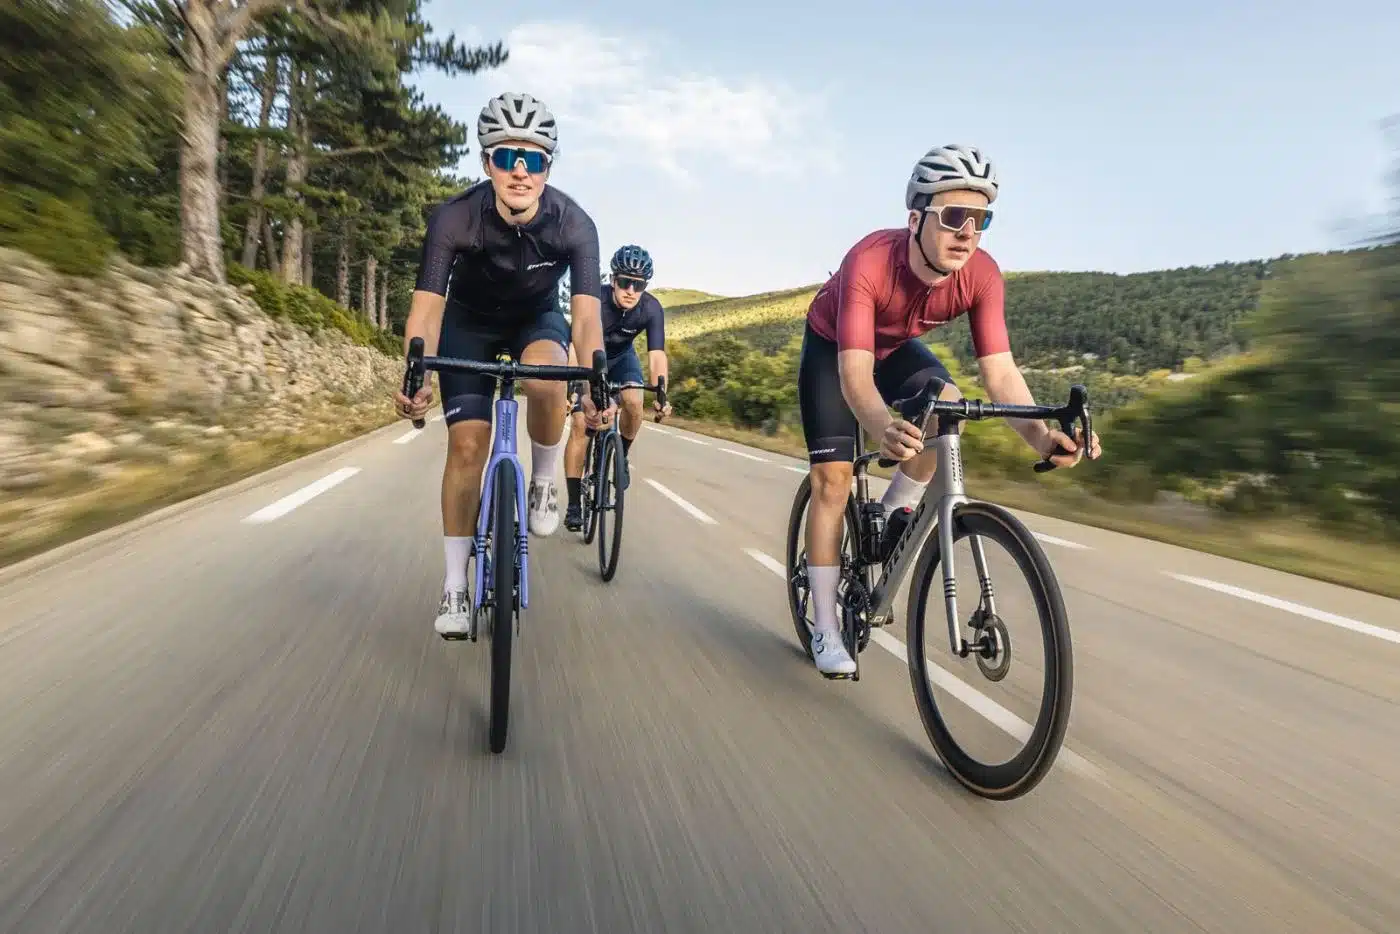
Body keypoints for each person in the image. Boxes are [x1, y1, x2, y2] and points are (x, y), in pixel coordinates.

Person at [797, 144, 1102, 677]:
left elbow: (1002, 373)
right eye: (954, 216)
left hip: (893, 351)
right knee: (833, 481)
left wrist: (1040, 438)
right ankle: (824, 623)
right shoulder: (870, 260)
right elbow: (854, 377)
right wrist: (881, 427)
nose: (969, 232)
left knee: (951, 408)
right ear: (916, 219)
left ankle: (893, 509)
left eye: (981, 219)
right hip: (834, 351)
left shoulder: (981, 274)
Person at [393, 91, 616, 639]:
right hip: (468, 323)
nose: (520, 171)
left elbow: (587, 322)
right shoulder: (455, 218)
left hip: (535, 320)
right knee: (467, 445)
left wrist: (594, 384)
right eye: (506, 156)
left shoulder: (574, 224)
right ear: (485, 161)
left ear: (548, 167)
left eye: (534, 158)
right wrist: (415, 374)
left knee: (546, 375)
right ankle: (454, 585)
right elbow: (427, 310)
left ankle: (543, 477)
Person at [562, 244, 672, 532]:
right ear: (613, 280)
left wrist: (662, 395)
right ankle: (574, 504)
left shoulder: (651, 308)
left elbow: (657, 356)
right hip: (589, 356)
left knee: (635, 401)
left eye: (639, 285)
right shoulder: (595, 301)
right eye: (625, 282)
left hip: (622, 359)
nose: (631, 291)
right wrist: (575, 389)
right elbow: (576, 344)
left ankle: (620, 455)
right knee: (579, 423)